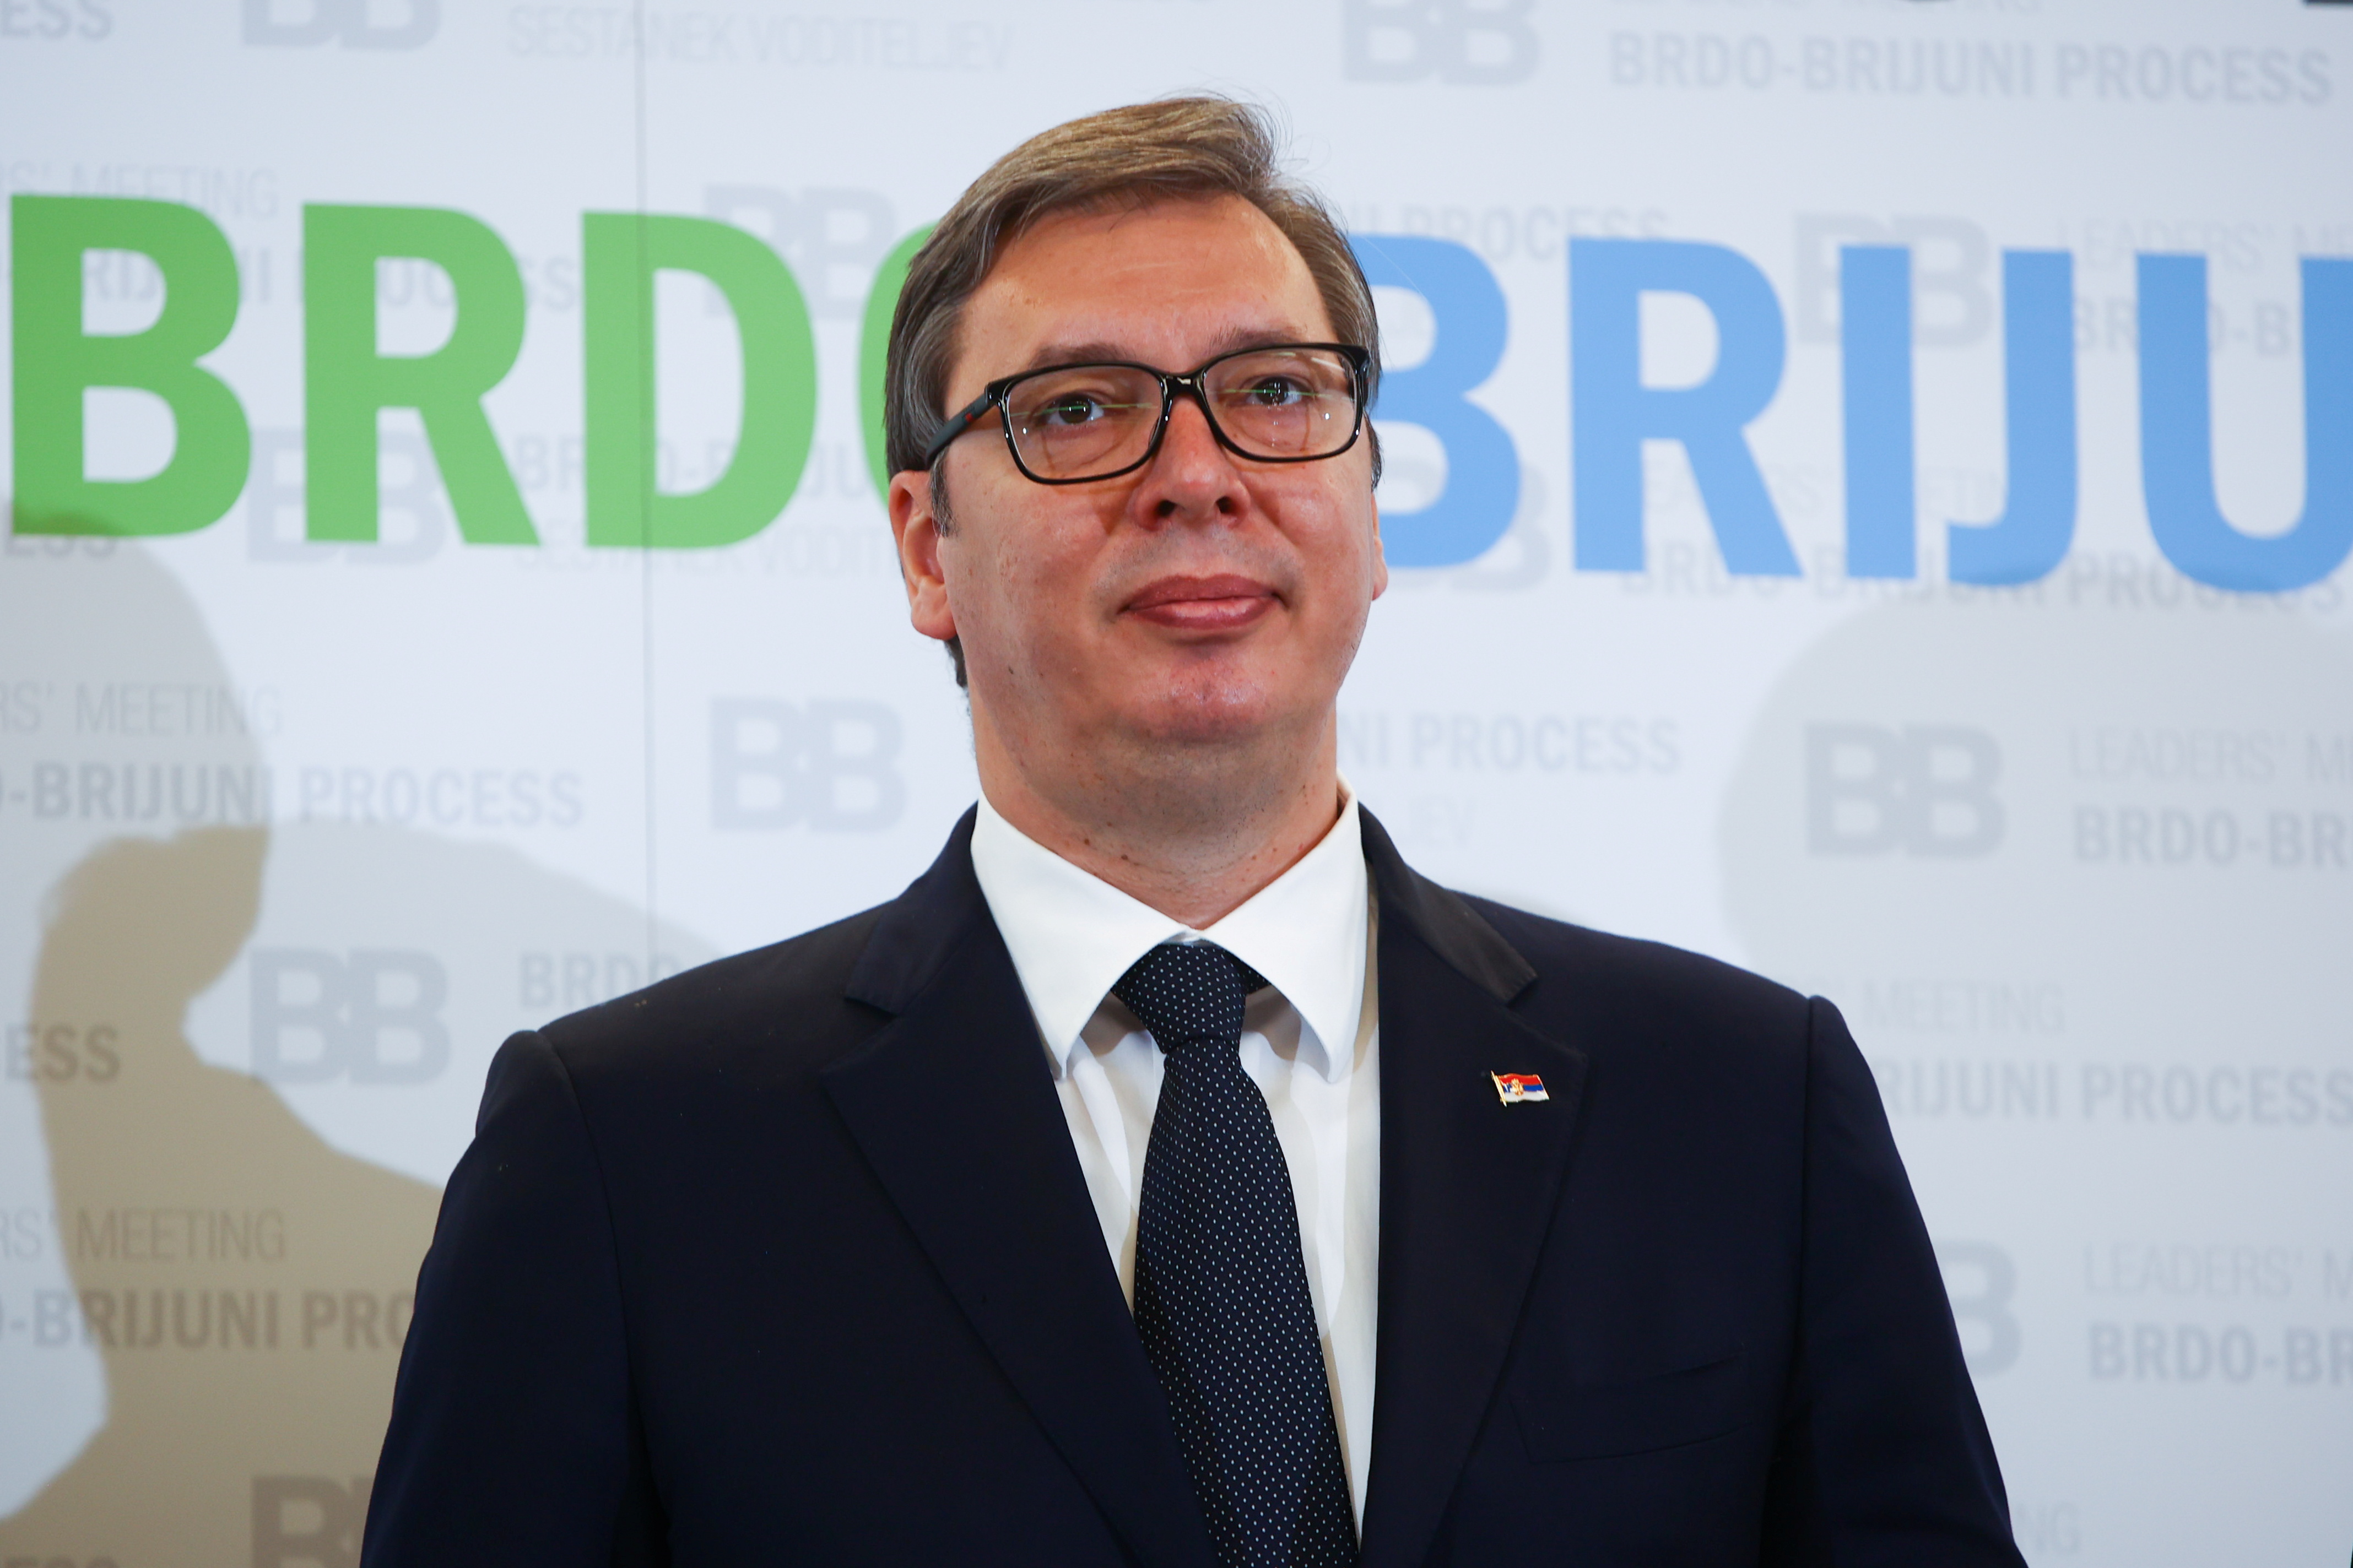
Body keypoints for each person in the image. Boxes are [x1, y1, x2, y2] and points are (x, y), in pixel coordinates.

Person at [361, 97, 2027, 1567]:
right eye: (1080, 409)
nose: (1198, 473)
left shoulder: (1738, 1102)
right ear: (928, 550)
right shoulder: (628, 1151)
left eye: (1274, 391)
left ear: (1369, 505)